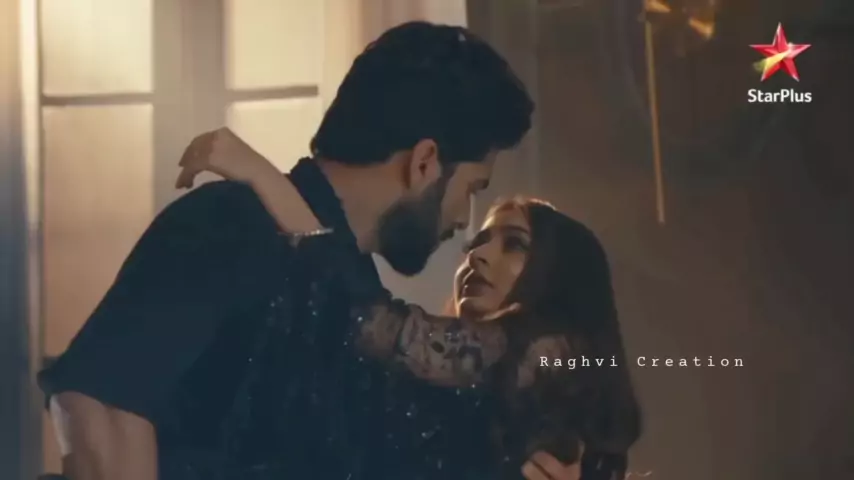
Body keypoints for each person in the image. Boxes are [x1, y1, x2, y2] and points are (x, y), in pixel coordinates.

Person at [36, 21, 585, 480]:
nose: (463, 221)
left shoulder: (362, 301)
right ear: (424, 163)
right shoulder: (233, 224)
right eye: (471, 189)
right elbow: (100, 402)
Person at [176, 134, 643, 479]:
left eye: (514, 244)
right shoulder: (451, 385)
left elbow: (367, 317)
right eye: (478, 243)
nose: (478, 255)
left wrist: (262, 177)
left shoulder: (552, 351)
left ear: (561, 278)